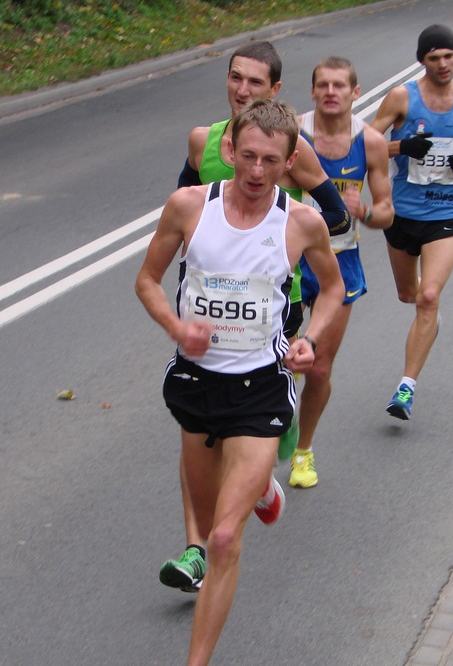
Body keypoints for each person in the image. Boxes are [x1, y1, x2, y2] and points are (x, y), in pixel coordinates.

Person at [136, 99, 344, 666]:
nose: (256, 171)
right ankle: (263, 492)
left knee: (222, 540)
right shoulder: (188, 208)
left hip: (261, 387)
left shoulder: (300, 222)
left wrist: (310, 340)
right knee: (205, 521)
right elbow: (148, 281)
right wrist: (178, 325)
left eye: (270, 161)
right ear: (228, 150)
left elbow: (331, 287)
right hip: (198, 384)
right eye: (247, 156)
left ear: (289, 161)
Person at [160, 41, 350, 592]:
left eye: (255, 83)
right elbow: (184, 202)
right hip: (209, 307)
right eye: (235, 79)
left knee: (244, 427)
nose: (243, 90)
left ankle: (257, 488)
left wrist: (285, 252)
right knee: (199, 430)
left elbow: (333, 216)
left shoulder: (293, 152)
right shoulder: (205, 140)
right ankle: (198, 548)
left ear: (274, 91)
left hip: (273, 310)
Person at [369, 24, 453, 420]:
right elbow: (362, 143)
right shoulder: (402, 98)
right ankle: (430, 320)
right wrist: (401, 146)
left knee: (428, 297)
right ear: (422, 61)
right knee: (409, 295)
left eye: (448, 56)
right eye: (433, 58)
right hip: (402, 213)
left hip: (444, 213)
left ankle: (405, 389)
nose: (443, 64)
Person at [288, 57, 393, 487]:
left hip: (340, 261)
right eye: (323, 85)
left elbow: (388, 212)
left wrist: (364, 210)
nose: (331, 92)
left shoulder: (369, 142)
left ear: (355, 92)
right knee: (275, 362)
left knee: (318, 366)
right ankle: (263, 437)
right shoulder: (291, 131)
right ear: (312, 92)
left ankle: (302, 451)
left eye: (339, 86)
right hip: (290, 260)